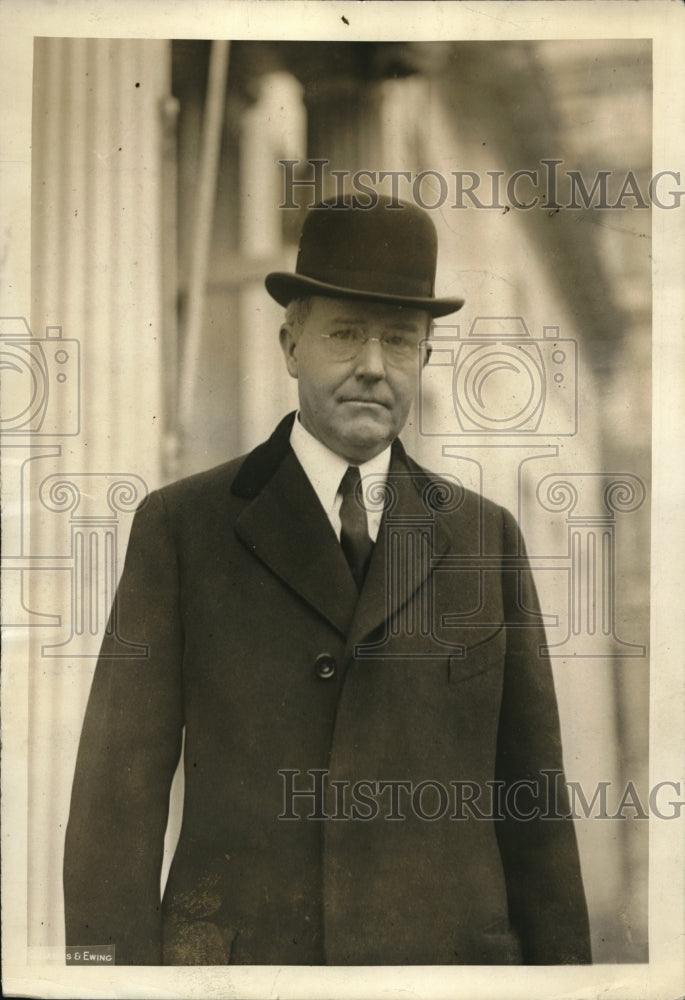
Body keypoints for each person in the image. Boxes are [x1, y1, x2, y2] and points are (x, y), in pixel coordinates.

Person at [64, 195, 591, 966]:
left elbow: (534, 805)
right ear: (290, 344)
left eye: (399, 341)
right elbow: (117, 793)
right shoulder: (184, 528)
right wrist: (102, 981)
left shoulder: (485, 539)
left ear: (426, 360)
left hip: (446, 977)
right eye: (344, 334)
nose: (373, 366)